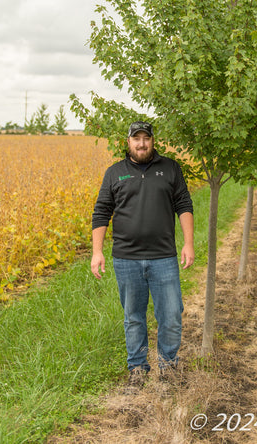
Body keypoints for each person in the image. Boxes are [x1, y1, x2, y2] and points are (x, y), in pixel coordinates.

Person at [91, 121, 195, 391]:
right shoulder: (115, 173)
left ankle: (168, 365)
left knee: (171, 314)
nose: (141, 144)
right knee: (133, 316)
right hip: (126, 259)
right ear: (128, 142)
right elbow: (102, 212)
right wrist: (97, 252)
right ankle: (137, 367)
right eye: (136, 139)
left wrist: (188, 243)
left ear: (152, 140)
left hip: (164, 257)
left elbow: (183, 203)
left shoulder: (170, 168)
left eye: (145, 138)